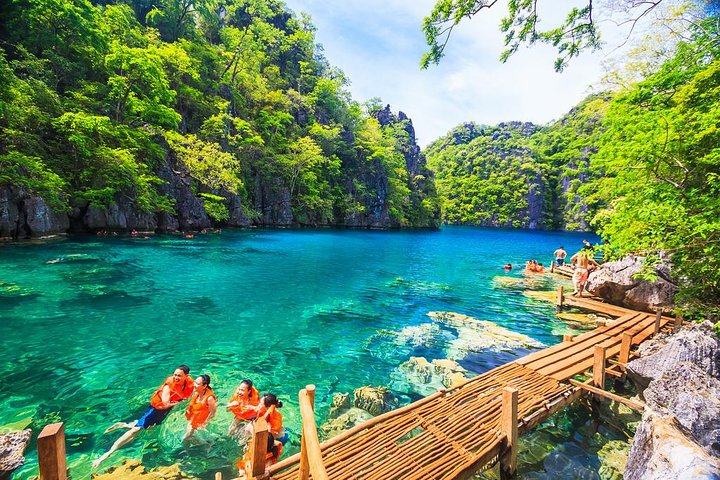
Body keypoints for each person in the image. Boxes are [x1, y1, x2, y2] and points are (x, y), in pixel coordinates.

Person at [93, 366, 194, 468]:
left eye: (179, 376)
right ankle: (107, 454)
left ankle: (125, 425)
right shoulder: (168, 386)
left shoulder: (189, 383)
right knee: (136, 431)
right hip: (155, 409)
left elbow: (190, 393)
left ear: (186, 376)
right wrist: (176, 404)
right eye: (175, 375)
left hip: (165, 410)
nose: (176, 377)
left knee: (150, 427)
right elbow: (165, 402)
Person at [183, 374, 217, 441]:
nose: (194, 385)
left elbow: (213, 413)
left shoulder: (209, 398)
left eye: (197, 384)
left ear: (204, 386)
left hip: (201, 421)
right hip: (193, 418)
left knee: (186, 438)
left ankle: (206, 446)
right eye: (195, 382)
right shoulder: (196, 392)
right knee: (186, 438)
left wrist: (205, 423)